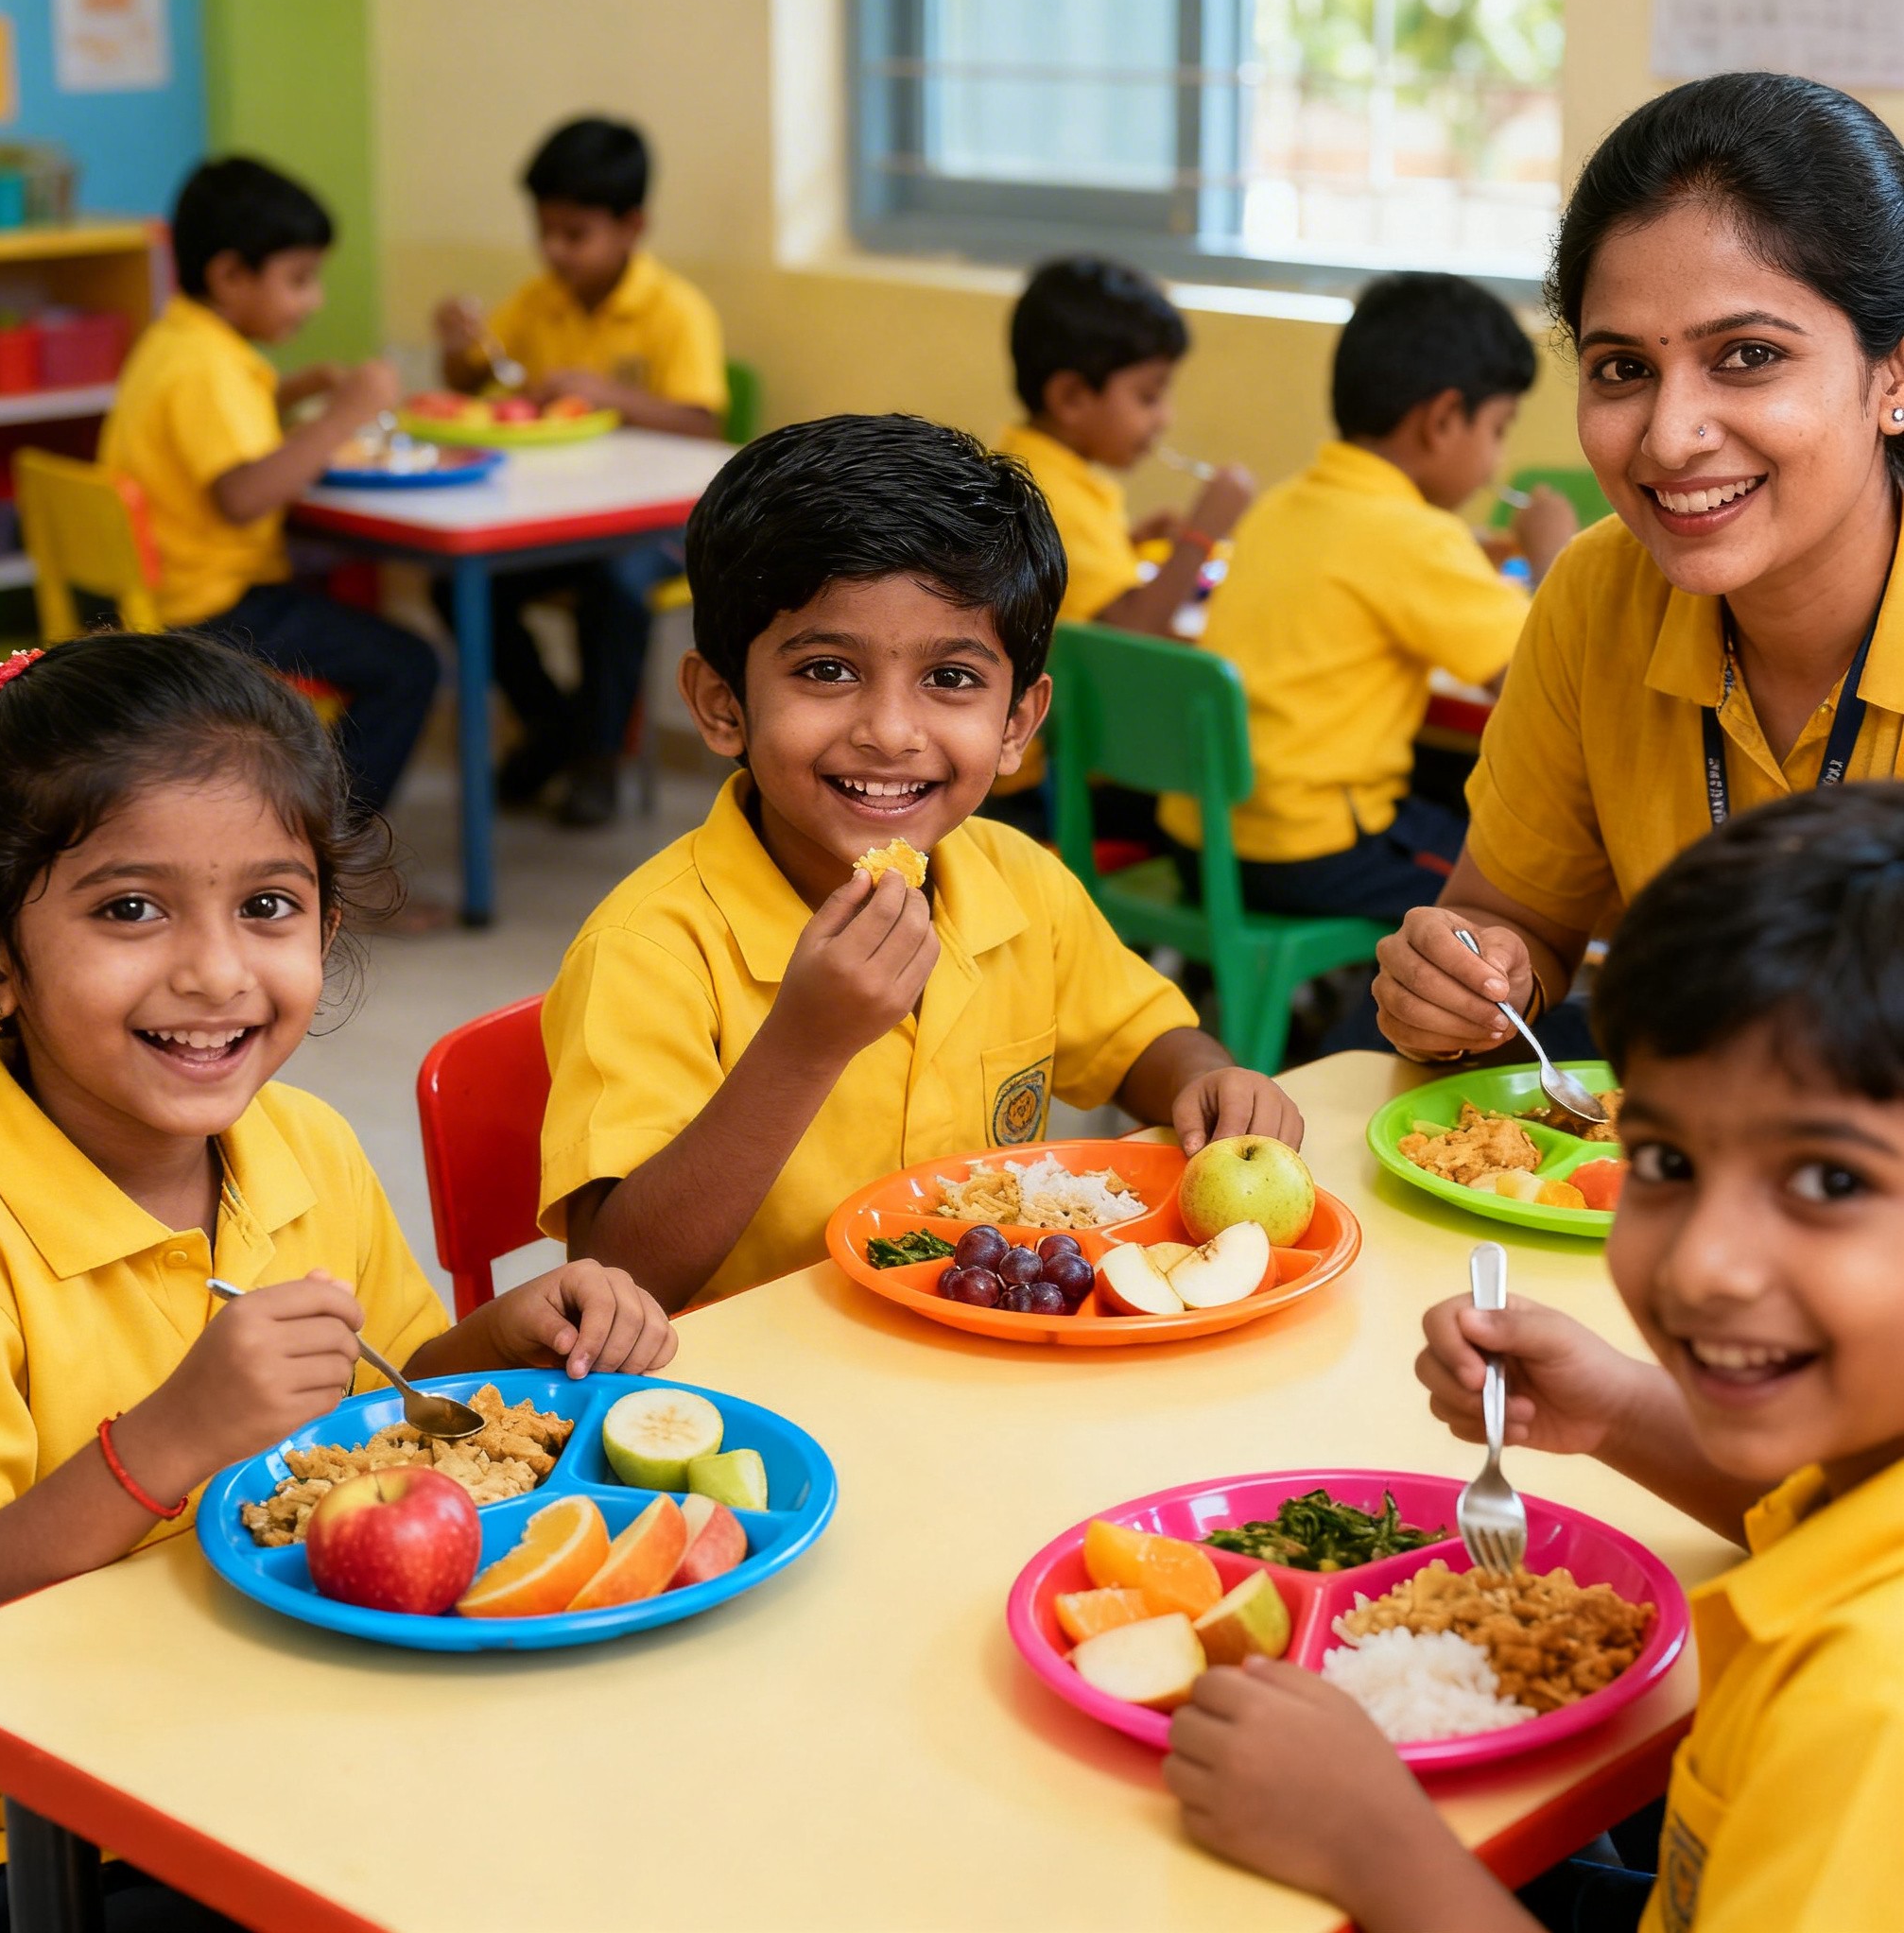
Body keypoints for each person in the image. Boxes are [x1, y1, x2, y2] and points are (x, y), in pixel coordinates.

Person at [0, 636, 675, 1914]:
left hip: (274, 1713)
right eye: (130, 908)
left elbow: (386, 1405)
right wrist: (164, 1446)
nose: (217, 972)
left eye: (268, 907)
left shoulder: (304, 1146)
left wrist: (507, 1336)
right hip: (46, 1826)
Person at [1166, 781, 1904, 1932]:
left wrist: (1373, 1845)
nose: (1704, 1261)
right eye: (1662, 1157)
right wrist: (1615, 1411)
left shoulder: (1870, 1717)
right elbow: (1804, 1507)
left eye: (1827, 1181)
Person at [539, 413, 1302, 1311]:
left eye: (951, 679)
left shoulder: (1019, 881)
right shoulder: (653, 949)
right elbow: (620, 1278)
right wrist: (802, 1046)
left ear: (1017, 722)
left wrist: (1208, 1078)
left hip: (981, 1366)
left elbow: (1143, 1043)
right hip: (757, 1403)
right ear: (721, 705)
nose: (891, 732)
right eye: (826, 670)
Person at [1373, 73, 1904, 1064]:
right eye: (1621, 368)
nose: (1668, 438)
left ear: (1891, 374)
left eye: (1746, 354)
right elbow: (1511, 916)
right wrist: (1474, 980)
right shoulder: (1594, 594)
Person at [1157, 273, 1575, 924]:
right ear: (1442, 421)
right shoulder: (1415, 538)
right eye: (1498, 429)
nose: (1495, 464)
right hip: (1312, 853)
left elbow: (1372, 558)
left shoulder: (1285, 503)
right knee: (1530, 877)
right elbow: (1551, 687)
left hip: (1203, 838)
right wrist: (1558, 557)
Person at [99, 157, 439, 817]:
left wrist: (294, 390)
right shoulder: (211, 368)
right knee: (408, 667)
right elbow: (243, 495)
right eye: (299, 279)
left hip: (161, 596)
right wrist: (348, 413)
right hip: (212, 611)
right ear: (229, 274)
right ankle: (330, 854)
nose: (314, 301)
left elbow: (212, 437)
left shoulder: (177, 342)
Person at [432, 118, 727, 826]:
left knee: (617, 585)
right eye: (546, 233)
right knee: (460, 588)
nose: (555, 252)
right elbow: (477, 387)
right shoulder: (538, 301)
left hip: (659, 525)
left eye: (576, 235)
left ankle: (594, 755)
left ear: (632, 226)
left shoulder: (675, 311)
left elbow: (705, 426)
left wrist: (613, 397)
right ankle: (556, 726)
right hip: (558, 516)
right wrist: (460, 349)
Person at [988, 256, 1254, 836]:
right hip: (1043, 790)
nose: (1165, 418)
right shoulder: (1060, 497)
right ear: (1071, 397)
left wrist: (1131, 543)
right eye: (1148, 396)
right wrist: (1201, 535)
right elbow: (1128, 638)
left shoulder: (1033, 467)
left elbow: (1065, 590)